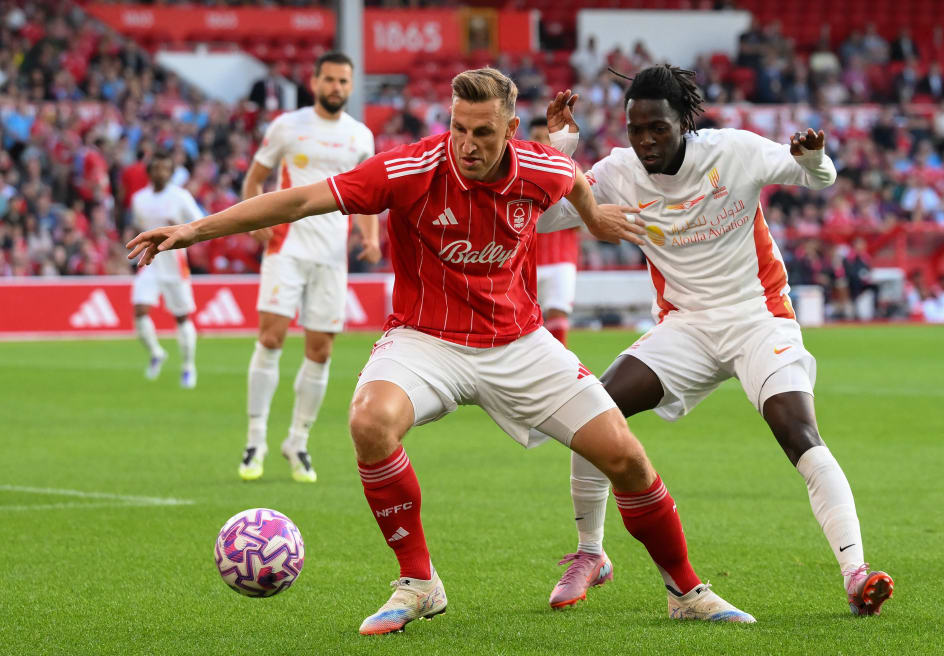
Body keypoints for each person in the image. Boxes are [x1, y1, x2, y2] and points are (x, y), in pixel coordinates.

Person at [128, 67, 757, 635]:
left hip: (519, 344)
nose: (468, 144)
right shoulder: (407, 170)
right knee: (369, 422)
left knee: (624, 456)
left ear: (512, 128)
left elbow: (574, 186)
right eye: (459, 128)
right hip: (425, 339)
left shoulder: (542, 168)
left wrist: (595, 222)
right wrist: (193, 230)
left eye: (483, 132)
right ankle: (419, 583)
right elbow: (299, 200)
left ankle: (685, 590)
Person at [538, 65, 895, 617]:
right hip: (686, 326)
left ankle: (856, 573)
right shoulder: (619, 171)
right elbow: (544, 218)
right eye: (636, 129)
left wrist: (812, 158)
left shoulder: (733, 152)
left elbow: (819, 178)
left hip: (759, 317)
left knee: (796, 430)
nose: (646, 140)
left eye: (657, 127)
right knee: (592, 411)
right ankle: (591, 553)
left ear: (684, 122)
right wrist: (561, 148)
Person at [237, 51, 381, 484]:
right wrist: (253, 218)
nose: (336, 87)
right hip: (287, 247)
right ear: (315, 81)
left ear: (351, 87)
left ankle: (297, 442)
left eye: (343, 81)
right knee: (271, 337)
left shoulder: (360, 136)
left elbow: (369, 195)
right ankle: (255, 439)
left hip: (332, 256)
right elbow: (254, 178)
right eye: (330, 79)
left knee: (321, 350)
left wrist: (370, 236)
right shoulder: (287, 125)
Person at [129, 150, 202, 389]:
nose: (161, 172)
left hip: (174, 263)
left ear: (171, 172)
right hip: (150, 262)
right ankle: (156, 352)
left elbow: (199, 223)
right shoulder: (139, 199)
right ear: (150, 172)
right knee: (139, 309)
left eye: (165, 168)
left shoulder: (181, 197)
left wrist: (179, 229)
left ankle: (188, 366)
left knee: (181, 316)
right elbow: (141, 226)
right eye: (156, 168)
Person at [528, 115, 579, 345]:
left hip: (561, 258)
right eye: (535, 137)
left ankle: (561, 373)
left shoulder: (571, 170)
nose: (540, 142)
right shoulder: (520, 173)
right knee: (527, 323)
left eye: (544, 138)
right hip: (526, 262)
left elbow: (582, 216)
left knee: (558, 316)